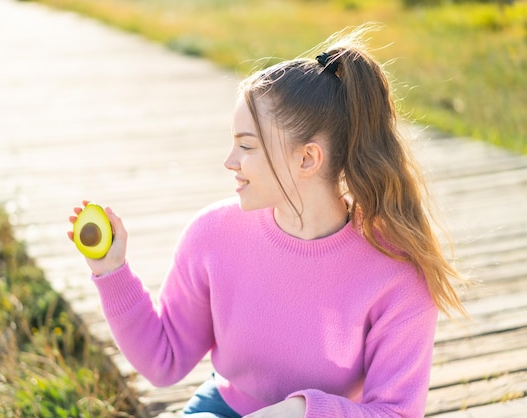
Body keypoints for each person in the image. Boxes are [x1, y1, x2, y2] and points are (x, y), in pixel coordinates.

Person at [68, 24, 467, 418]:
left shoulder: (397, 271)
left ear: (307, 159)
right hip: (224, 407)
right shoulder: (213, 234)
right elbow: (163, 360)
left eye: (246, 146)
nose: (230, 162)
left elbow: (396, 413)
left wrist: (296, 412)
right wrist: (111, 270)